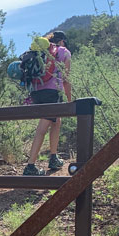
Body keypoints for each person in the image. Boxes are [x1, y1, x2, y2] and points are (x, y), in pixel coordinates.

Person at [22, 30, 72, 176]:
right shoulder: (64, 52)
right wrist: (70, 101)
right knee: (43, 127)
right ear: (62, 41)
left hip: (36, 92)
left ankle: (53, 157)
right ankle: (30, 166)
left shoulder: (41, 50)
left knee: (56, 121)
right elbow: (66, 80)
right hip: (52, 92)